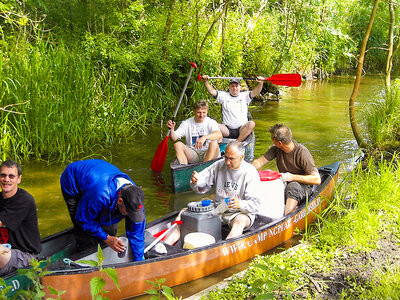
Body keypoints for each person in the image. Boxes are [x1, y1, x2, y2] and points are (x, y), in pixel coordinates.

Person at [164, 141, 262, 245]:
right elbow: (201, 189)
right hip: (219, 208)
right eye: (226, 157)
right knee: (184, 212)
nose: (227, 162)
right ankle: (165, 245)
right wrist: (196, 182)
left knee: (240, 221)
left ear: (242, 157)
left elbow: (256, 204)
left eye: (231, 159)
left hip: (239, 212)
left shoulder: (250, 172)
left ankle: (226, 248)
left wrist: (240, 204)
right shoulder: (219, 165)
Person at [60, 159, 145, 261]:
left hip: (99, 180)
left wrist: (139, 261)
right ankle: (83, 257)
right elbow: (83, 219)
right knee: (84, 232)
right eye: (128, 212)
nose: (129, 215)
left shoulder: (135, 200)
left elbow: (137, 233)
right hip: (73, 181)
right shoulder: (101, 195)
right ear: (120, 201)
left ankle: (103, 242)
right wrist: (107, 238)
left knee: (109, 228)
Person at [252, 124, 321, 215]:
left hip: (303, 187)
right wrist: (245, 171)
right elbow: (259, 162)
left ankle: (287, 218)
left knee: (293, 186)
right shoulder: (276, 149)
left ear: (280, 143)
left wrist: (292, 177)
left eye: (273, 139)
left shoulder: (302, 152)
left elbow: (317, 179)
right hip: (285, 183)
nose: (272, 141)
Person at [0, 160, 42, 277]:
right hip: (5, 253)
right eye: (3, 175)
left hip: (26, 257)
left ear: (19, 179)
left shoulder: (24, 200)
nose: (6, 179)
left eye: (11, 176)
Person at [202, 75, 264, 142]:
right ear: (229, 87)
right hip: (227, 129)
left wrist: (260, 83)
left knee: (251, 124)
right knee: (211, 123)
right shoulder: (223, 95)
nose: (234, 88)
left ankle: (237, 143)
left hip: (241, 129)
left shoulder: (245, 96)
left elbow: (256, 92)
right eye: (232, 86)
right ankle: (219, 145)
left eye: (236, 86)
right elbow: (212, 91)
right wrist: (205, 81)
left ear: (240, 87)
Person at [167, 100, 222, 165]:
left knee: (214, 143)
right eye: (199, 112)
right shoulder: (186, 123)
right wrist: (172, 129)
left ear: (207, 112)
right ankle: (184, 168)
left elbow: (219, 134)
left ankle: (204, 167)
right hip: (193, 154)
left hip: (208, 153)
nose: (201, 115)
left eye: (204, 112)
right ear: (194, 112)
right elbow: (173, 138)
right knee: (177, 144)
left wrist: (204, 137)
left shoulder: (211, 122)